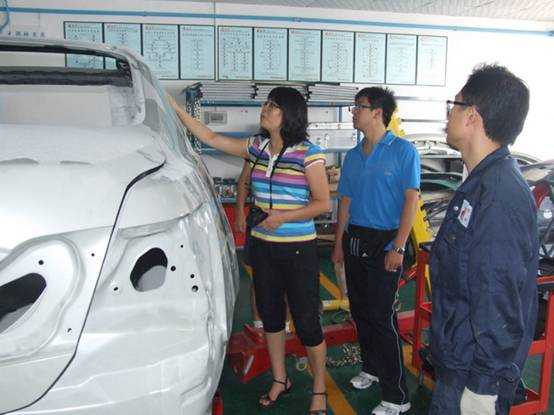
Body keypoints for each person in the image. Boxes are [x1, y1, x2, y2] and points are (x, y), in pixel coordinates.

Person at [170, 87, 331, 414]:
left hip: (298, 250)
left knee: (306, 322)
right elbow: (210, 136)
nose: (265, 109)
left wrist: (284, 217)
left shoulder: (308, 154)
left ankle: (319, 387)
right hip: (264, 247)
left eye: (273, 106)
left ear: (289, 115)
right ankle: (280, 379)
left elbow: (323, 203)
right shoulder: (257, 147)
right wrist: (174, 107)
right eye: (266, 104)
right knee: (270, 316)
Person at [428, 64, 539, 415]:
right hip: (459, 356)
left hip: (473, 373)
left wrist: (483, 388)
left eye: (454, 105)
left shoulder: (498, 195)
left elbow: (498, 296)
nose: (448, 115)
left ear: (472, 116)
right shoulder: (481, 183)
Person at [332, 87, 420, 415]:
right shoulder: (354, 156)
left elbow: (411, 200)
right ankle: (370, 368)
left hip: (386, 242)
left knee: (382, 317)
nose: (353, 112)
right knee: (360, 310)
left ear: (377, 112)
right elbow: (345, 202)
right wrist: (338, 243)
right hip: (356, 238)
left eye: (359, 107)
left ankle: (397, 396)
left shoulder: (403, 151)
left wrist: (399, 245)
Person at [235, 160, 291, 332]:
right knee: (259, 277)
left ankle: (286, 325)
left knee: (288, 278)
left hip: (288, 225)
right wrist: (239, 211)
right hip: (259, 222)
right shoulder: (257, 151)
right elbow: (244, 182)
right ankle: (258, 324)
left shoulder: (296, 152)